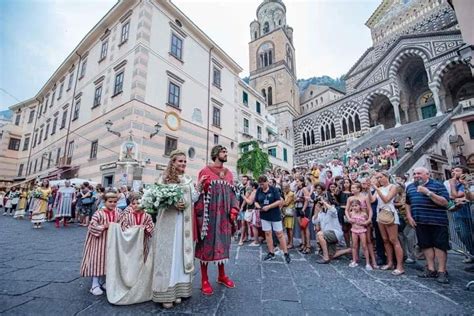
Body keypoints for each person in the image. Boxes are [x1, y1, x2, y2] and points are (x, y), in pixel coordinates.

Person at [151, 150, 201, 308]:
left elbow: (193, 198)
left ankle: (179, 291)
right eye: (180, 161)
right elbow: (156, 200)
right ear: (172, 162)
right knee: (168, 256)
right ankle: (166, 292)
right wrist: (172, 203)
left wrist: (198, 187)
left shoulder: (187, 179)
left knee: (180, 255)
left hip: (183, 224)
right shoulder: (163, 178)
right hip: (168, 223)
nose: (183, 164)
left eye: (185, 161)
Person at [194, 145, 239, 296]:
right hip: (209, 216)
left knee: (223, 245)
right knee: (205, 246)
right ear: (215, 154)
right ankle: (204, 279)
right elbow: (199, 193)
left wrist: (234, 209)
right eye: (223, 151)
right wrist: (200, 215)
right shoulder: (205, 171)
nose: (226, 154)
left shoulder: (229, 174)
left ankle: (221, 275)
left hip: (224, 217)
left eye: (226, 151)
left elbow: (233, 194)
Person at [405, 167, 450, 283]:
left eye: (419, 173)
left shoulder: (438, 185)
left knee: (440, 246)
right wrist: (409, 216)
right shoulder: (410, 187)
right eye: (414, 174)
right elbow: (407, 203)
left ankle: (442, 271)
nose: (416, 175)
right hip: (420, 221)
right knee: (426, 245)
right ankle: (431, 269)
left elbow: (446, 202)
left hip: (437, 221)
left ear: (427, 174)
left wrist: (428, 192)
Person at [80, 191, 121, 296]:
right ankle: (94, 284)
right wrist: (103, 226)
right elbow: (92, 225)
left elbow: (123, 223)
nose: (112, 203)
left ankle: (104, 281)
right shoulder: (99, 213)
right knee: (97, 260)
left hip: (112, 241)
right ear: (105, 201)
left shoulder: (118, 212)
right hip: (99, 241)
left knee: (109, 260)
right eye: (110, 201)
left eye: (115, 202)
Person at [371, 171, 404, 276]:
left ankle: (399, 266)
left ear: (386, 177)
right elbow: (372, 200)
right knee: (385, 240)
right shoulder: (379, 189)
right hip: (380, 214)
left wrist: (376, 189)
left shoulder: (393, 187)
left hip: (389, 212)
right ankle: (390, 262)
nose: (379, 179)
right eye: (377, 178)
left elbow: (386, 199)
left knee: (394, 240)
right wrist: (368, 190)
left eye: (380, 177)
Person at [255, 175, 291, 263]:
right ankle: (271, 252)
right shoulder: (259, 190)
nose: (261, 186)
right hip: (264, 214)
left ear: (267, 182)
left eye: (263, 184)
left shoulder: (274, 189)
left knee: (279, 233)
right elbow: (255, 201)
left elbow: (279, 201)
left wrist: (269, 206)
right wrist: (259, 206)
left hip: (275, 214)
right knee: (267, 233)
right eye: (260, 184)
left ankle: (286, 253)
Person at [313, 198, 351, 264]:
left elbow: (333, 210)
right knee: (331, 255)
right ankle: (349, 250)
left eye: (323, 204)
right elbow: (314, 221)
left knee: (319, 234)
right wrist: (316, 211)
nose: (321, 205)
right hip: (326, 235)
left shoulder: (332, 211)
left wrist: (324, 202)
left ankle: (325, 258)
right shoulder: (321, 213)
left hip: (335, 233)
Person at [119, 193, 154, 262]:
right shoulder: (128, 216)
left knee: (143, 257)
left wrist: (144, 229)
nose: (136, 205)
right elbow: (124, 228)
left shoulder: (147, 216)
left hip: (143, 241)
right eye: (133, 203)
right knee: (131, 258)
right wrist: (132, 230)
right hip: (131, 242)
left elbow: (151, 227)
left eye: (138, 203)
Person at [347, 200, 372, 270]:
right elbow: (348, 219)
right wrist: (350, 220)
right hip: (354, 230)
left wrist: (365, 223)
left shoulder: (364, 214)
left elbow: (368, 221)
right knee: (354, 246)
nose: (354, 207)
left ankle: (367, 263)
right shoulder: (351, 213)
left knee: (364, 246)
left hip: (362, 230)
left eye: (356, 206)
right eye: (353, 206)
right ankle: (354, 260)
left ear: (360, 206)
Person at [295, 176, 311, 254]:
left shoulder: (304, 189)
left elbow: (307, 199)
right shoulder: (298, 189)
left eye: (298, 181)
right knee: (302, 227)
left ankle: (308, 246)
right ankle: (303, 244)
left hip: (302, 209)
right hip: (298, 208)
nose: (296, 182)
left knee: (306, 227)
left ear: (302, 182)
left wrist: (303, 209)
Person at [282, 183, 295, 249]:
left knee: (290, 228)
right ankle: (289, 242)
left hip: (289, 212)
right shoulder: (285, 193)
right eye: (283, 187)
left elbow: (286, 203)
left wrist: (280, 201)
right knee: (287, 228)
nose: (284, 188)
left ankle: (291, 243)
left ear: (288, 187)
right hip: (286, 212)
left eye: (285, 187)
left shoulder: (291, 194)